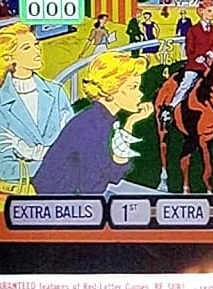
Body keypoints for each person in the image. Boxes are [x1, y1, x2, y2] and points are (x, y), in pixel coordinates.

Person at [34, 51, 156, 197]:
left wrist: (130, 123)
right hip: (56, 204)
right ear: (110, 89)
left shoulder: (104, 119)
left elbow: (114, 174)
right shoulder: (92, 125)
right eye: (133, 87)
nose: (140, 94)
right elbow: (92, 187)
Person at [0, 22, 75, 190]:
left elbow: (75, 145)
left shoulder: (56, 92)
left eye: (36, 45)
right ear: (9, 57)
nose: (37, 51)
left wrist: (32, 153)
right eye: (26, 48)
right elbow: (7, 169)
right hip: (30, 194)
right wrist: (53, 159)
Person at [165, 0, 213, 122]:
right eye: (210, 11)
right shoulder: (193, 30)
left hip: (210, 66)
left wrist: (212, 53)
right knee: (187, 83)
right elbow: (189, 50)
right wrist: (198, 57)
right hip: (195, 65)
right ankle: (171, 108)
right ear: (201, 12)